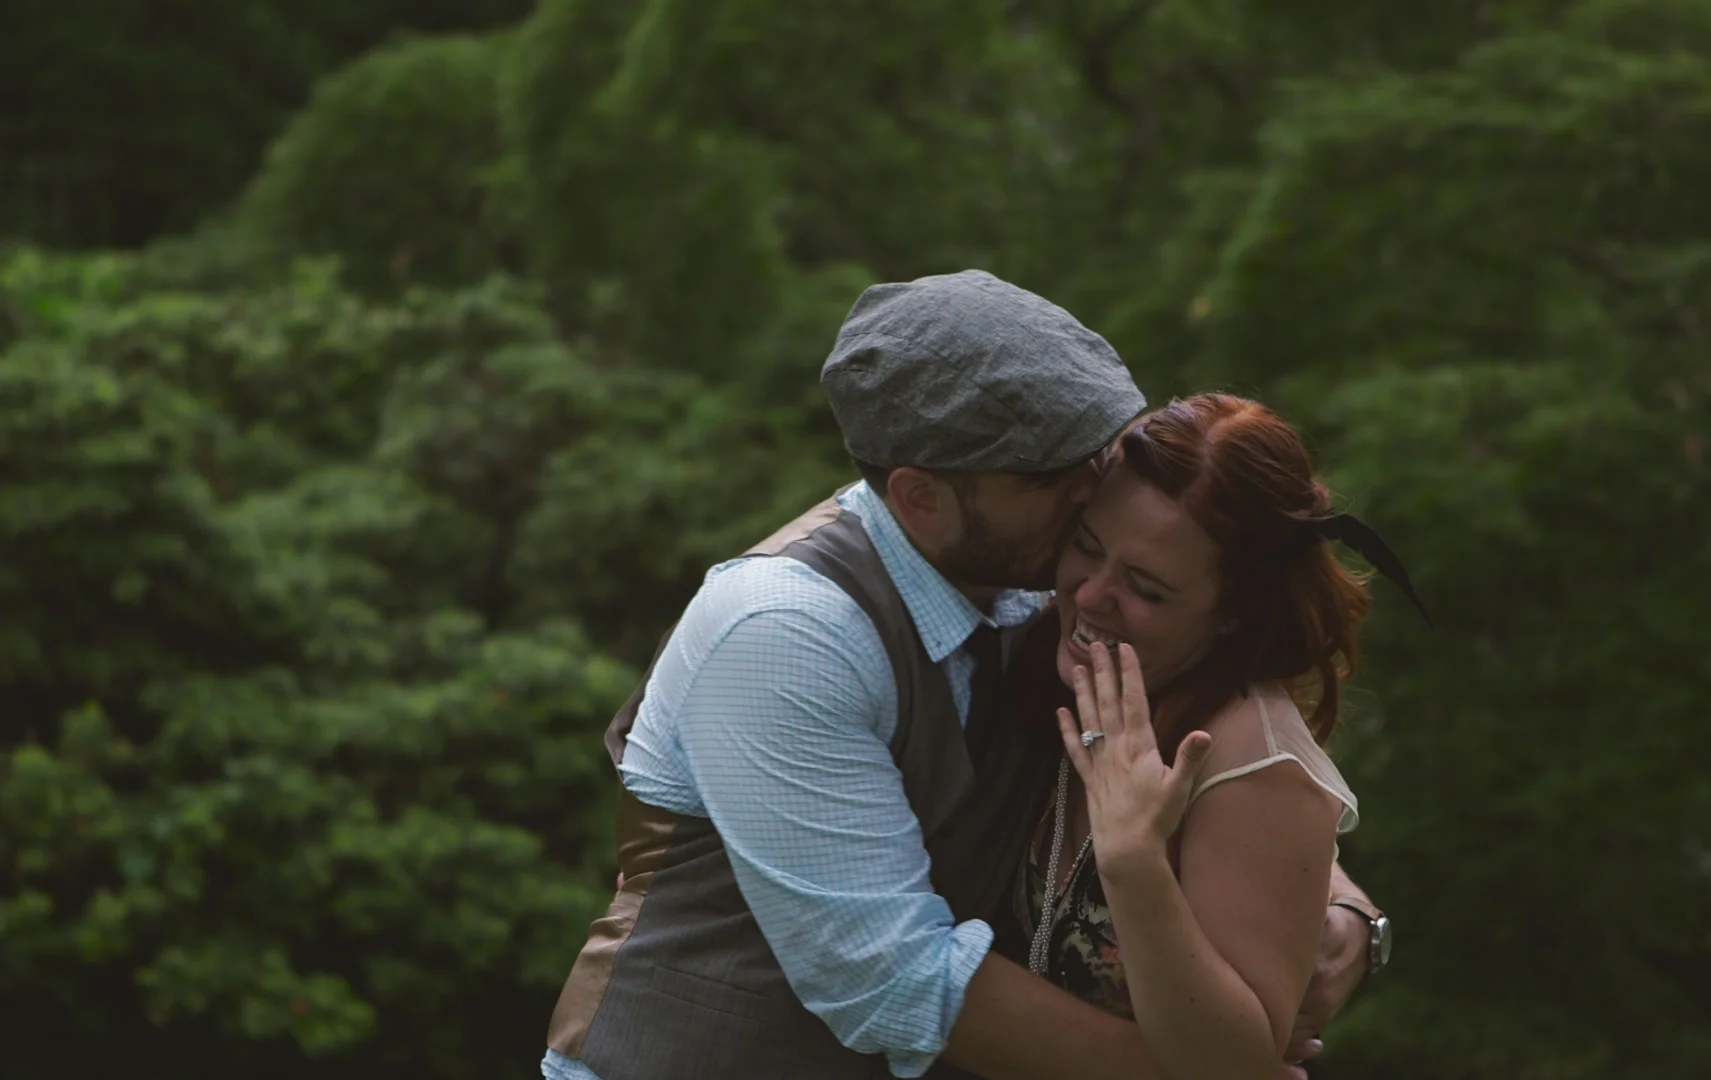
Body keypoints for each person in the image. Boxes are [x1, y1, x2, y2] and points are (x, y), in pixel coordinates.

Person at [539, 271, 1387, 1080]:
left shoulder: (1042, 585)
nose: (1099, 487)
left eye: (1100, 451)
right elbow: (893, 978)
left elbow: (1236, 776)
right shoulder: (786, 630)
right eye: (1058, 476)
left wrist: (1335, 905)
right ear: (922, 499)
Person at [1007, 394, 1425, 1078]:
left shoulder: (1250, 764)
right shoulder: (1058, 660)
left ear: (1234, 611)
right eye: (1087, 545)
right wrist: (1348, 904)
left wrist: (1136, 864)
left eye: (1145, 586)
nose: (1089, 596)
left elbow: (1233, 1066)